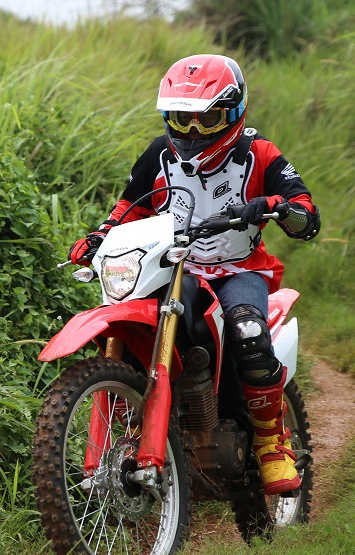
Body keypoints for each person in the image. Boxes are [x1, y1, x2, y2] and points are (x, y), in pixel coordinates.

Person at [68, 54, 320, 495]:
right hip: (169, 265)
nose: (193, 132)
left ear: (235, 112)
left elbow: (307, 215)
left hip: (236, 270)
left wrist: (279, 208)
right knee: (125, 323)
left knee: (248, 333)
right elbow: (131, 205)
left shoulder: (259, 154)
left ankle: (270, 443)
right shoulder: (158, 155)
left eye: (206, 120)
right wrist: (100, 236)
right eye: (181, 119)